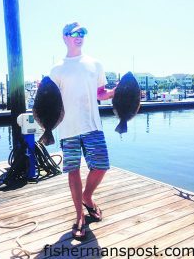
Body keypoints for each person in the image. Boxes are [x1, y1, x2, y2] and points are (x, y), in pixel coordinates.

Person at [50, 22, 115, 240]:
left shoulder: (95, 64)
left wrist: (119, 91)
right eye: (75, 33)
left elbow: (101, 93)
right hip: (67, 128)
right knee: (73, 171)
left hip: (92, 125)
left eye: (83, 33)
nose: (80, 36)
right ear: (65, 37)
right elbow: (50, 100)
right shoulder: (57, 69)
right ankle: (79, 216)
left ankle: (88, 196)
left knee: (102, 166)